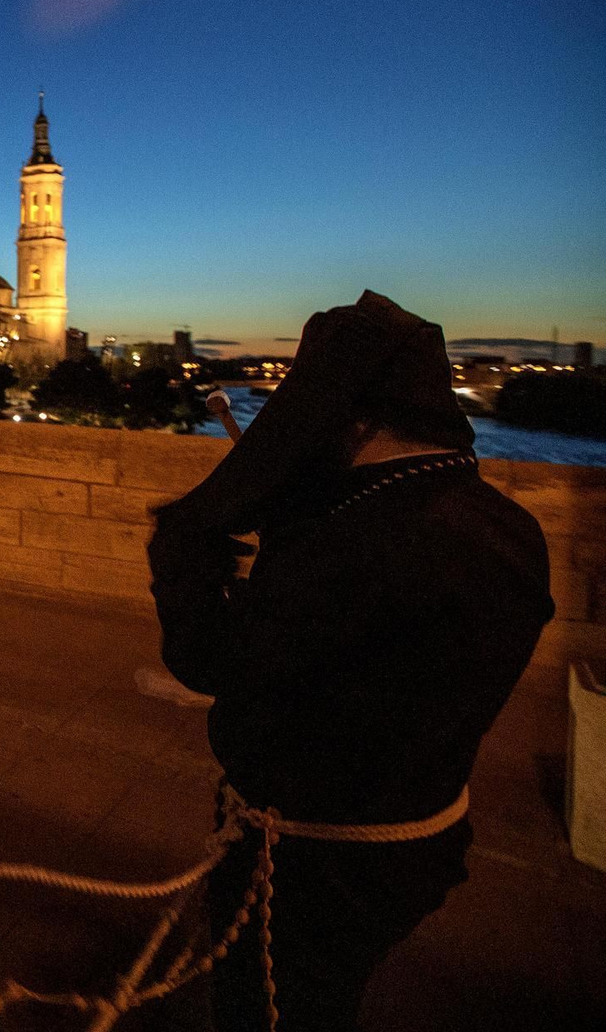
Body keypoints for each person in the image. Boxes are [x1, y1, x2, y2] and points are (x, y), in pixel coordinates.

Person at [148, 292, 551, 1031]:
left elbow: (209, 662)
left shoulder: (347, 553)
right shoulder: (509, 525)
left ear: (356, 418)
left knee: (274, 1008)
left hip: (312, 863)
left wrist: (183, 551)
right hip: (423, 833)